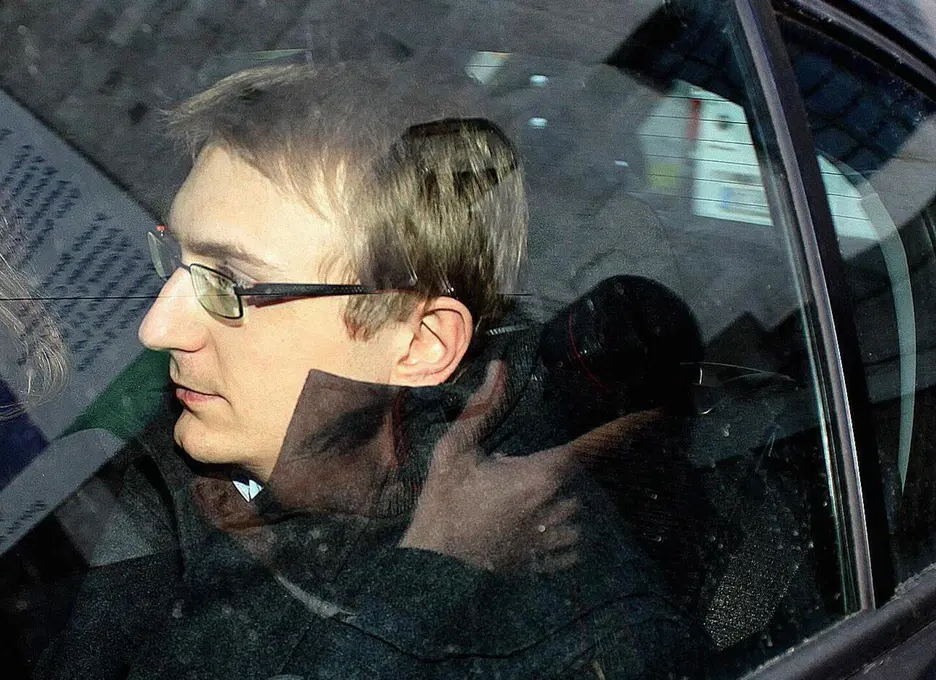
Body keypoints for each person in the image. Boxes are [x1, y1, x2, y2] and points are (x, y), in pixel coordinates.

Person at [35, 60, 703, 679]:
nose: (156, 327)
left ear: (420, 344)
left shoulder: (580, 642)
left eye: (231, 283)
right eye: (176, 260)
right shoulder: (201, 449)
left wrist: (427, 579)